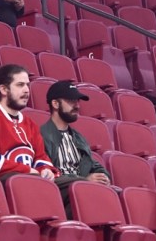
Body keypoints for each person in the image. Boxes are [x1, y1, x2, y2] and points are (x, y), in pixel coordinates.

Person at [0, 64, 59, 182]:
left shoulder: (30, 124)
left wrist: (46, 170)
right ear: (4, 89)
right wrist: (27, 170)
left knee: (77, 184)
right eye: (20, 85)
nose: (26, 90)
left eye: (27, 85)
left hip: (32, 180)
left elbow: (41, 157)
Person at [40, 80, 112, 218]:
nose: (77, 105)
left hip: (82, 189)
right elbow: (46, 173)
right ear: (55, 104)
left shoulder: (78, 138)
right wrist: (84, 180)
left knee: (116, 194)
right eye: (71, 101)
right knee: (85, 190)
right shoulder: (41, 136)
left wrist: (104, 177)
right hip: (59, 193)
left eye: (78, 101)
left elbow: (94, 165)